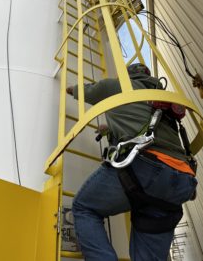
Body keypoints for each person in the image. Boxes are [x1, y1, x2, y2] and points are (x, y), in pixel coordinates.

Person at [66, 63, 197, 261]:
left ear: (127, 75)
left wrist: (68, 88)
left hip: (145, 167)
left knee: (84, 208)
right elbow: (146, 123)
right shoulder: (161, 99)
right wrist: (109, 129)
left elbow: (84, 92)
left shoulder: (117, 87)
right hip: (180, 181)